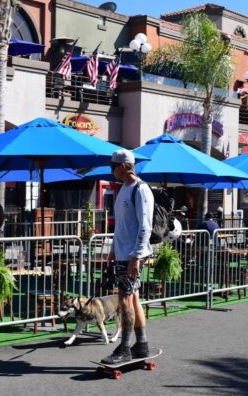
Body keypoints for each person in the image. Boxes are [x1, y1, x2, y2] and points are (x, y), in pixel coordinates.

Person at [101, 149, 154, 364]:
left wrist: (136, 257)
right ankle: (141, 345)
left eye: (113, 165)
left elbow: (145, 227)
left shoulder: (140, 189)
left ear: (124, 165)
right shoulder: (123, 188)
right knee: (133, 298)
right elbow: (121, 226)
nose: (111, 169)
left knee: (124, 300)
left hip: (131, 255)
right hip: (123, 254)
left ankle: (124, 349)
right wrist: (113, 249)